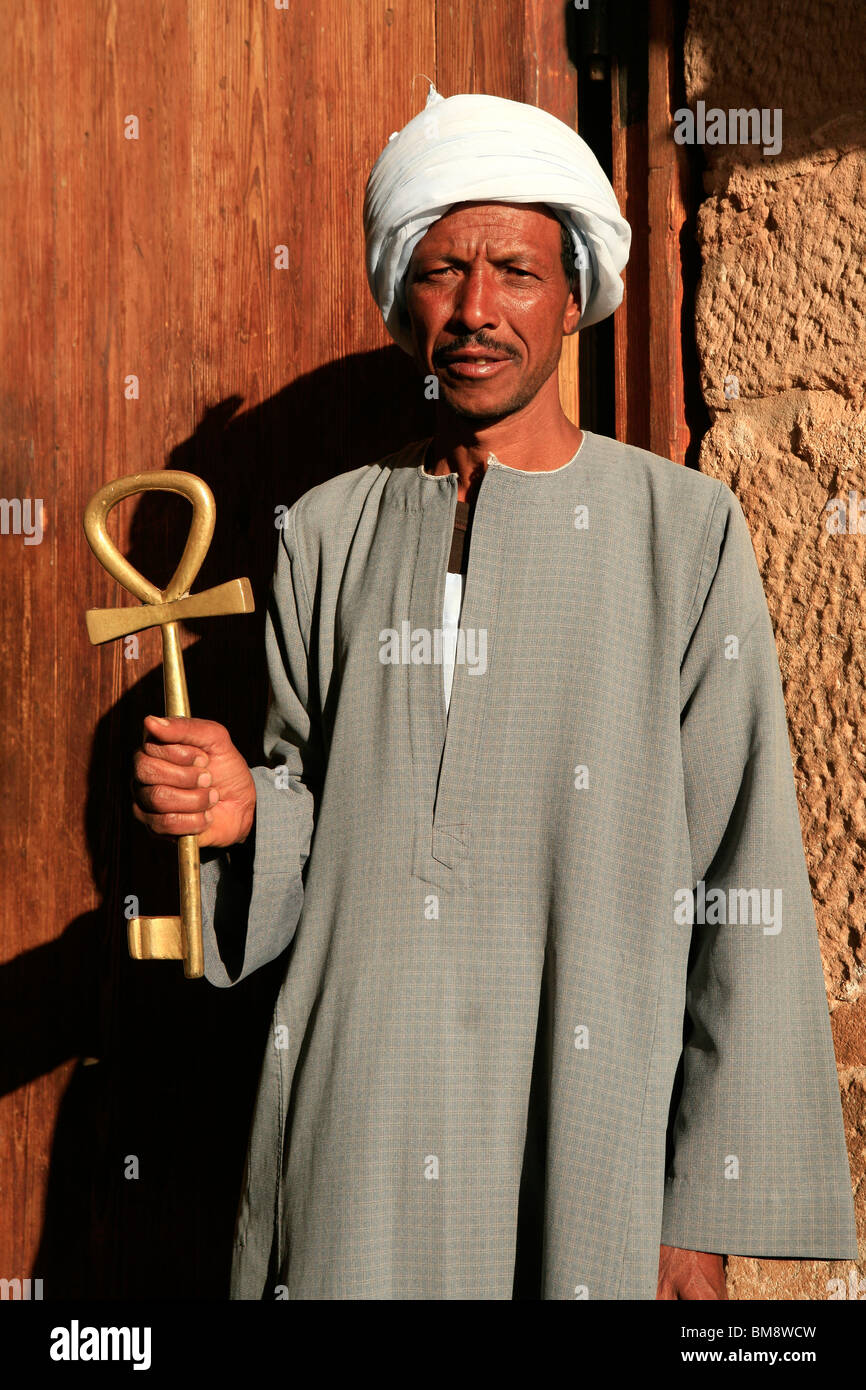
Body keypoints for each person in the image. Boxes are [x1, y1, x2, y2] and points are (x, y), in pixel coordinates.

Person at [131, 88, 858, 1300]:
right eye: (438, 271)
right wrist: (246, 812)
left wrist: (697, 1201)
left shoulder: (679, 534)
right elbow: (317, 811)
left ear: (573, 295)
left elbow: (742, 869)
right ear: (398, 299)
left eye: (513, 271)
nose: (474, 312)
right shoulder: (324, 533)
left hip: (592, 1134)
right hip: (358, 1110)